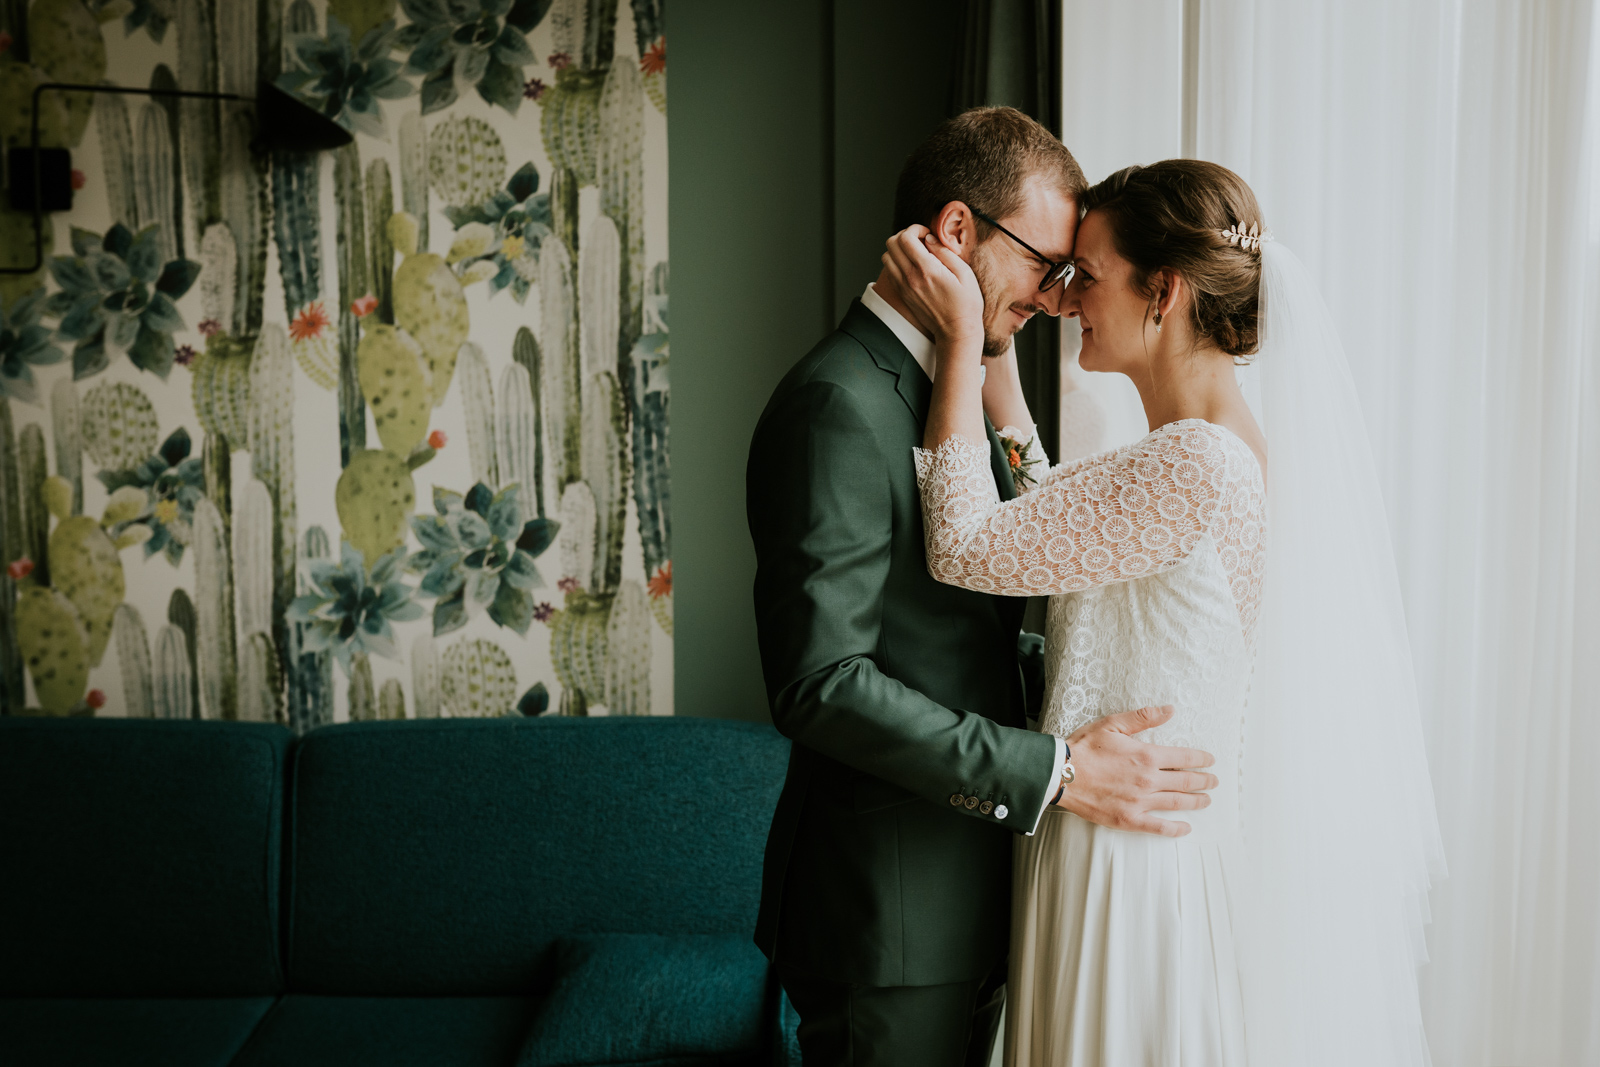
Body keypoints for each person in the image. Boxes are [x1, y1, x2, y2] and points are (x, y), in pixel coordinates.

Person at [884, 159, 1443, 1066]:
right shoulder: (1204, 450)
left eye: (1088, 275)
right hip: (1128, 846)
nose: (1065, 302)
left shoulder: (1191, 463)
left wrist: (956, 342)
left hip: (1128, 873)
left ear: (1165, 292)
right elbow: (1056, 516)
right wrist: (995, 354)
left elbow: (967, 545)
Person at [745, 108, 1220, 1067]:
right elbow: (821, 680)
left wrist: (1103, 690)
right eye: (1046, 263)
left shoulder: (942, 394)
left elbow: (971, 628)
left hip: (982, 892)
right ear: (957, 232)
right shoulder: (839, 403)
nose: (1054, 298)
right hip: (889, 916)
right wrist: (1057, 771)